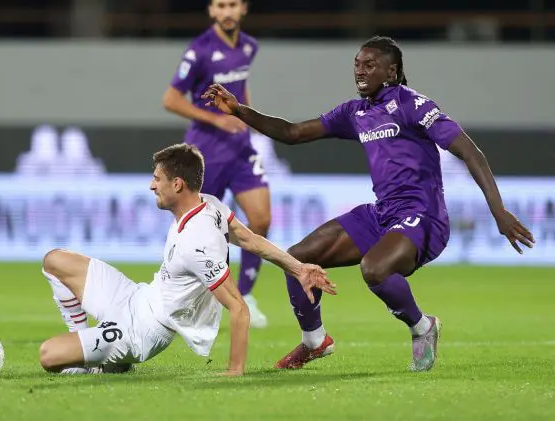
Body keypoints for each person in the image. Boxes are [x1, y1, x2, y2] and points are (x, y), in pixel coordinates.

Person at [202, 35, 535, 372]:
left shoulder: (413, 105)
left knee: (374, 268)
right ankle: (315, 340)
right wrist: (239, 110)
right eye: (357, 65)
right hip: (381, 215)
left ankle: (422, 327)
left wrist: (498, 210)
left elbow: (470, 152)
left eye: (369, 65)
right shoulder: (355, 112)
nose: (360, 72)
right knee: (297, 259)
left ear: (391, 71)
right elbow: (293, 133)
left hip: (423, 216)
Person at [38, 144, 336, 377]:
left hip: (141, 332)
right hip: (137, 297)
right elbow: (249, 239)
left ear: (177, 184)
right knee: (54, 261)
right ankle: (88, 352)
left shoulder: (199, 243)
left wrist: (235, 370)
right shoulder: (210, 204)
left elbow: (238, 307)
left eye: (157, 179)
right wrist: (298, 268)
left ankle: (99, 358)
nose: (152, 185)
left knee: (48, 356)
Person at [162, 0, 271, 328]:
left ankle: (246, 294)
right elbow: (171, 99)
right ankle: (194, 299)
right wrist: (217, 119)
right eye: (221, 5)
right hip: (206, 151)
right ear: (211, 11)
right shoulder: (199, 50)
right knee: (205, 230)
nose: (227, 11)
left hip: (240, 148)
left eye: (232, 5)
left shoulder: (249, 47)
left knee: (261, 219)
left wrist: (246, 115)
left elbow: (241, 88)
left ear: (243, 9)